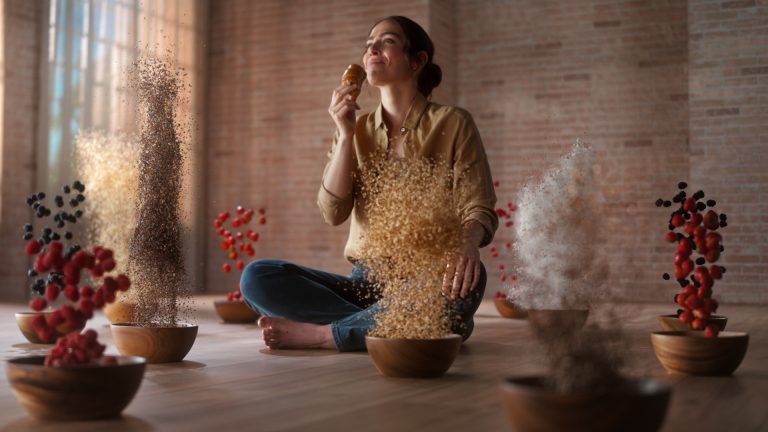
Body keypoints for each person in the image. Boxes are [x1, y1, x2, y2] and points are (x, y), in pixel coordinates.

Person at [240, 16, 497, 351]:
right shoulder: (355, 129)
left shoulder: (453, 123)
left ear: (417, 60)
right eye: (368, 44)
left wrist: (466, 245)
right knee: (258, 277)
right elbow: (333, 211)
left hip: (429, 277)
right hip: (365, 284)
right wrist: (345, 134)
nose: (372, 49)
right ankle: (404, 324)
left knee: (469, 286)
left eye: (387, 41)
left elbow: (479, 206)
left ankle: (325, 335)